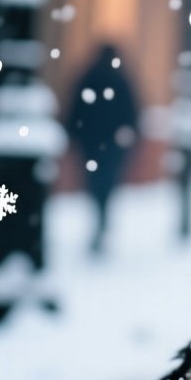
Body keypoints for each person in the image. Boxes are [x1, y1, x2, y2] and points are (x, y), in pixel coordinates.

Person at [66, 41, 139, 256]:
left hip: (91, 143)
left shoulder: (89, 77)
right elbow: (132, 113)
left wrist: (75, 134)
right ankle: (101, 218)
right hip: (112, 144)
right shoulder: (121, 79)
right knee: (106, 183)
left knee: (95, 183)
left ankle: (99, 219)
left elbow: (75, 110)